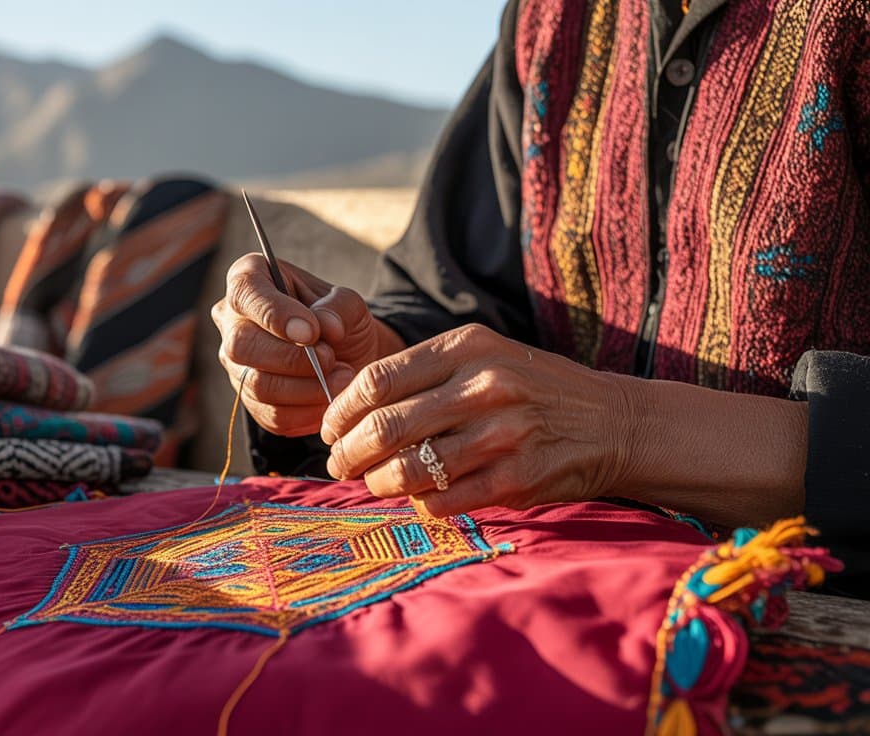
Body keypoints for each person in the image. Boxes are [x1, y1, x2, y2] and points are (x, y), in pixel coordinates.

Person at [212, 0, 870, 597]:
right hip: (561, 592)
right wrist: (370, 367)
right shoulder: (549, 18)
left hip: (807, 612)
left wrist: (622, 431)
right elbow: (459, 295)